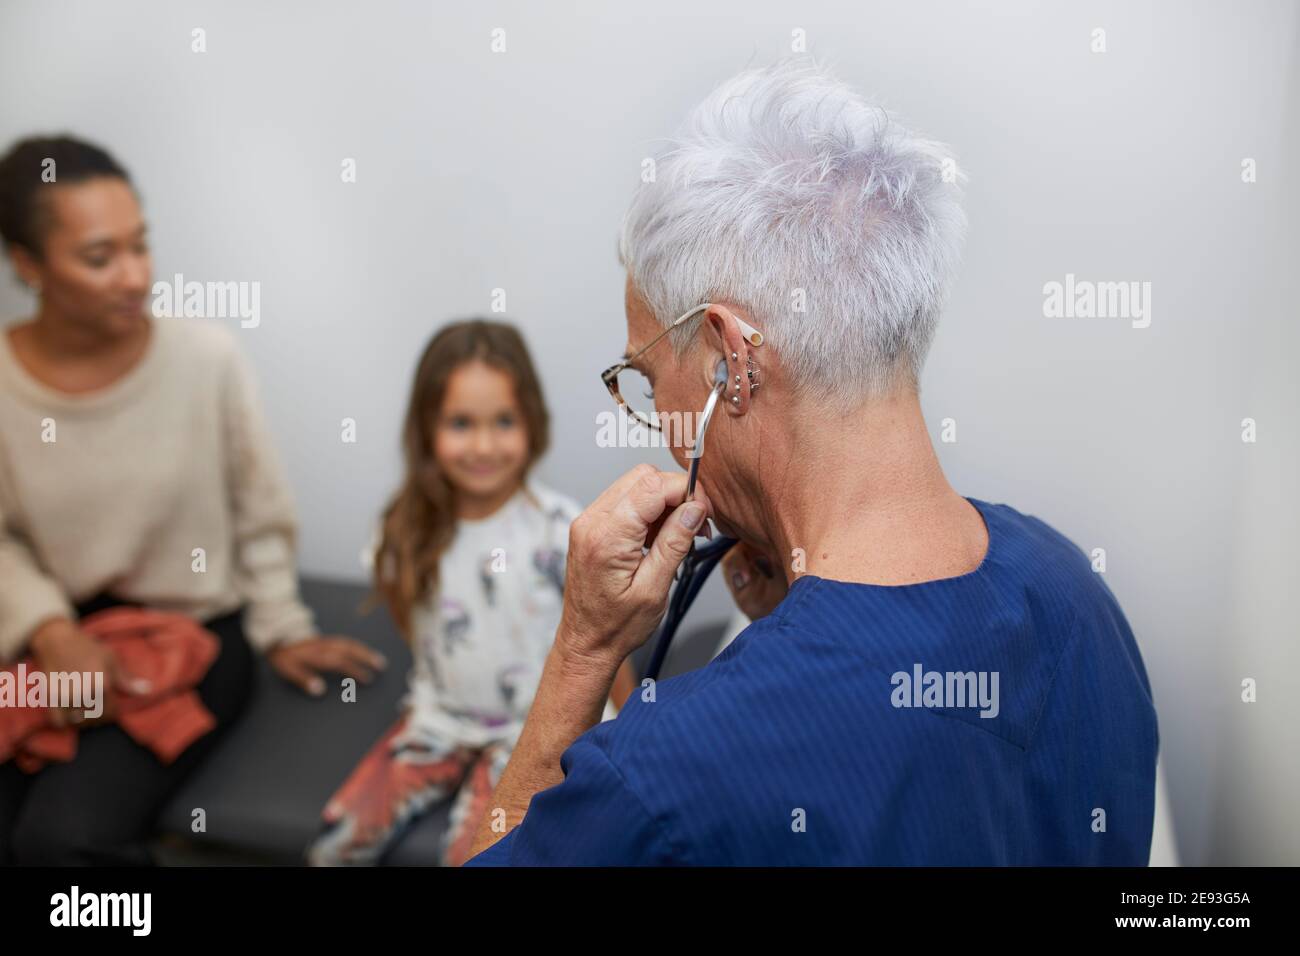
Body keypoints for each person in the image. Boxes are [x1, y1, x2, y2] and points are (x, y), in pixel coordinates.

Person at [463, 57, 1159, 866]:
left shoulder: (660, 777)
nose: (664, 433)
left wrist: (582, 652)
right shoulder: (1077, 592)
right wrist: (795, 624)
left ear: (733, 360)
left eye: (652, 382)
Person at [0, 135, 384, 865]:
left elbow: (262, 517)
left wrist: (284, 627)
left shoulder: (205, 361)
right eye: (99, 256)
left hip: (194, 639)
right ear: (28, 266)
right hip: (49, 644)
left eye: (141, 246)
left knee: (61, 843)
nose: (136, 276)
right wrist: (50, 631)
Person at [307, 320, 637, 866]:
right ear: (427, 428)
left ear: (531, 422)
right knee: (335, 847)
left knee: (477, 856)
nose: (483, 445)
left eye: (503, 422)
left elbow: (606, 638)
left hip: (534, 731)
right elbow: (408, 607)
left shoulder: (561, 528)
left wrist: (625, 733)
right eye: (461, 423)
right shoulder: (407, 526)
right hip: (438, 719)